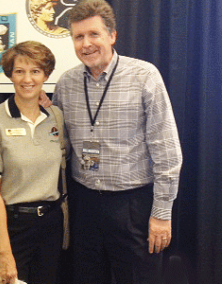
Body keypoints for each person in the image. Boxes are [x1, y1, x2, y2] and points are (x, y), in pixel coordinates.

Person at [52, 0, 183, 283]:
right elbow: (58, 143)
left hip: (132, 207)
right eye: (78, 37)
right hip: (84, 205)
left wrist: (161, 213)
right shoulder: (66, 84)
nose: (86, 44)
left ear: (112, 35)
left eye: (94, 34)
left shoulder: (144, 76)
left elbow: (167, 151)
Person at [0, 41, 64, 284]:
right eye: (20, 71)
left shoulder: (56, 117)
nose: (27, 79)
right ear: (10, 74)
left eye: (35, 71)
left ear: (46, 75)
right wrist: (4, 253)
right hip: (11, 226)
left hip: (51, 224)